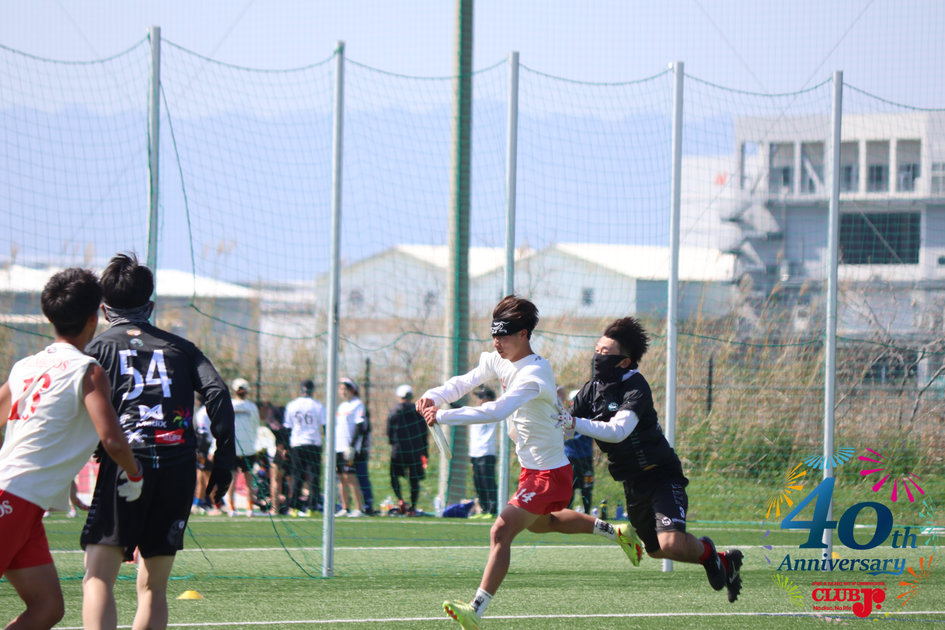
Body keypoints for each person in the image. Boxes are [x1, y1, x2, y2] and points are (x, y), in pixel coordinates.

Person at [416, 295, 642, 630]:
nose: (497, 342)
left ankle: (475, 611)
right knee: (543, 523)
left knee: (501, 529)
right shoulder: (498, 358)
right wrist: (433, 396)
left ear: (524, 334)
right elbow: (465, 381)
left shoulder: (534, 374)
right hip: (534, 470)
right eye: (494, 334)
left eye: (504, 335)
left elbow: (498, 410)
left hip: (550, 474)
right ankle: (616, 531)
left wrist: (444, 416)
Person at [80, 253, 235, 630]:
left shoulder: (96, 350)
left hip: (126, 462)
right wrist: (224, 460)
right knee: (153, 588)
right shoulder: (182, 348)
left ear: (104, 310)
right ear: (150, 307)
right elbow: (217, 392)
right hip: (177, 466)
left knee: (98, 578)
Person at [559, 316, 743, 604]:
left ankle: (709, 555)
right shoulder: (591, 389)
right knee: (655, 550)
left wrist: (573, 422)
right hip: (632, 482)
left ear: (624, 361)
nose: (597, 357)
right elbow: (565, 426)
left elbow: (618, 431)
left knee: (671, 542)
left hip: (660, 474)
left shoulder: (636, 386)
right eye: (596, 350)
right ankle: (724, 561)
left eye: (605, 352)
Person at [0, 268, 143, 630]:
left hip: (25, 505)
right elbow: (113, 440)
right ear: (94, 317)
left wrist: (66, 485)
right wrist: (135, 474)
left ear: (49, 316)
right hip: (11, 498)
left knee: (47, 607)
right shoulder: (88, 371)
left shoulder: (25, 366)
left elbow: (45, 430)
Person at [284, 379, 326, 515]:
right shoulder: (318, 406)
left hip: (297, 444)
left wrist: (286, 446)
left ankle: (294, 507)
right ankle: (312, 507)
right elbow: (325, 425)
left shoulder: (292, 405)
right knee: (313, 477)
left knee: (297, 476)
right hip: (313, 444)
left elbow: (287, 427)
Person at [386, 384, 428, 515]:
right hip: (415, 451)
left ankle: (400, 500)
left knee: (394, 475)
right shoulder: (418, 412)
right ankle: (413, 507)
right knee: (414, 479)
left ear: (399, 396)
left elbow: (389, 432)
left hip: (398, 450)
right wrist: (424, 451)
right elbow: (424, 432)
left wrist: (393, 443)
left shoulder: (394, 412)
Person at [334, 377, 367, 517]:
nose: (342, 391)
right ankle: (345, 507)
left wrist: (352, 446)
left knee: (350, 477)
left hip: (348, 448)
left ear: (352, 390)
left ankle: (359, 508)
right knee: (341, 477)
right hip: (338, 447)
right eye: (341, 389)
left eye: (345, 389)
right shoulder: (341, 406)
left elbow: (360, 426)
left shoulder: (357, 404)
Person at [228, 377, 260, 517]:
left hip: (242, 448)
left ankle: (240, 508)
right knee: (240, 479)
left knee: (238, 479)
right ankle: (240, 508)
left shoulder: (232, 405)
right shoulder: (249, 406)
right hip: (242, 447)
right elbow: (255, 426)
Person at [560, 386, 594, 514]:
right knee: (569, 487)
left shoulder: (589, 416)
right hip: (570, 458)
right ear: (570, 402)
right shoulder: (566, 416)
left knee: (587, 486)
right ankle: (567, 514)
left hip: (586, 458)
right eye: (574, 400)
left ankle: (587, 514)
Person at [468, 386, 498, 517]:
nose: (479, 400)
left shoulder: (492, 411)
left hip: (486, 452)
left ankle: (493, 509)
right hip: (474, 453)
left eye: (481, 397)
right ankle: (484, 509)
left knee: (488, 482)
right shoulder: (476, 411)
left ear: (489, 399)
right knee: (478, 482)